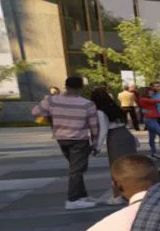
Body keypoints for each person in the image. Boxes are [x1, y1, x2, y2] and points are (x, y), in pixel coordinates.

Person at [32, 75, 105, 210]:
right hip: (79, 139)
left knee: (76, 168)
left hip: (61, 138)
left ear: (65, 86)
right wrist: (95, 143)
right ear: (81, 87)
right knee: (76, 170)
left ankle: (82, 195)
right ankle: (73, 199)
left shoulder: (51, 100)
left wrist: (51, 115)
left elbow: (35, 112)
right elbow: (94, 125)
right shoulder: (87, 104)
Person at [91, 87, 139, 204]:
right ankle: (134, 193)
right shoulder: (115, 108)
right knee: (130, 166)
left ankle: (117, 196)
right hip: (126, 135)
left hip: (115, 138)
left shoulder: (100, 112)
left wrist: (97, 146)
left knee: (116, 168)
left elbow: (103, 130)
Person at [138, 84, 160, 158]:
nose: (152, 93)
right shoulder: (144, 99)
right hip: (150, 120)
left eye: (152, 92)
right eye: (150, 91)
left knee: (152, 136)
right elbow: (158, 101)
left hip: (153, 119)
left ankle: (154, 152)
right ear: (146, 92)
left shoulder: (147, 99)